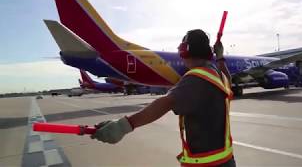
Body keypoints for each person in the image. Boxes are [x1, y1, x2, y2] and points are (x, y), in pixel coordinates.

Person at [91, 29, 236, 167]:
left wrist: (123, 126)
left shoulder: (196, 78)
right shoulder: (218, 76)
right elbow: (228, 79)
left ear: (185, 50)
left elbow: (165, 103)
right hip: (227, 160)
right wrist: (220, 57)